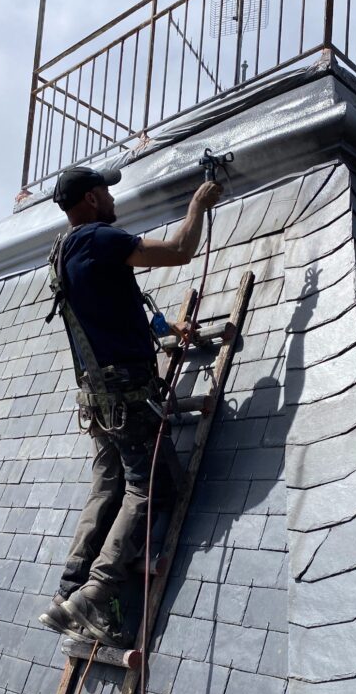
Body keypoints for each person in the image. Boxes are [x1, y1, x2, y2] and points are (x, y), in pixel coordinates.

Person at [40, 165, 222, 645]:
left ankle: (67, 590)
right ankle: (97, 594)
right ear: (92, 198)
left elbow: (115, 308)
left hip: (98, 399)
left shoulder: (63, 251)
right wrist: (198, 205)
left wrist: (165, 329)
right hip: (128, 396)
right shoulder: (100, 238)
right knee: (151, 486)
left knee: (107, 484)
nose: (111, 198)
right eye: (105, 190)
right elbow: (180, 250)